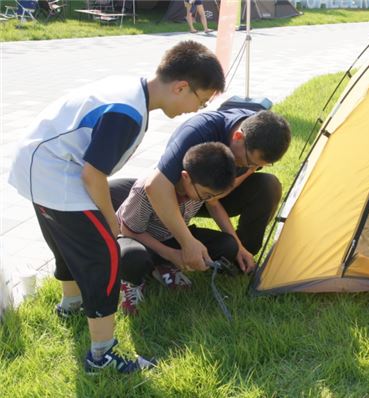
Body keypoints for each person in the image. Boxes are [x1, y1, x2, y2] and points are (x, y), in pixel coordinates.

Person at [8, 40, 225, 374]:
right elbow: (93, 174)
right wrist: (110, 222)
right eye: (201, 100)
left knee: (67, 246)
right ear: (181, 87)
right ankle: (101, 357)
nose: (196, 110)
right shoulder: (128, 113)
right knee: (104, 259)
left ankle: (70, 305)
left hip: (36, 166)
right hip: (56, 175)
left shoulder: (131, 90)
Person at [138, 109, 291, 276]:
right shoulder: (199, 132)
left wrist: (238, 246)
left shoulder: (263, 135)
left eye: (257, 165)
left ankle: (241, 258)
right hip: (182, 194)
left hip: (209, 196)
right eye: (249, 162)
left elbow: (214, 201)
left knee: (269, 186)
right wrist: (187, 242)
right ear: (238, 137)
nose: (249, 168)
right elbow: (156, 186)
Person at [115, 142, 238, 315]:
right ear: (186, 177)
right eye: (206, 195)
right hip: (139, 239)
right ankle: (133, 282)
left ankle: (163, 266)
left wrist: (238, 248)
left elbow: (214, 206)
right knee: (131, 257)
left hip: (173, 237)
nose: (209, 199)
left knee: (227, 245)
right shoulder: (147, 189)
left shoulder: (201, 185)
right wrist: (171, 254)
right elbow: (129, 231)